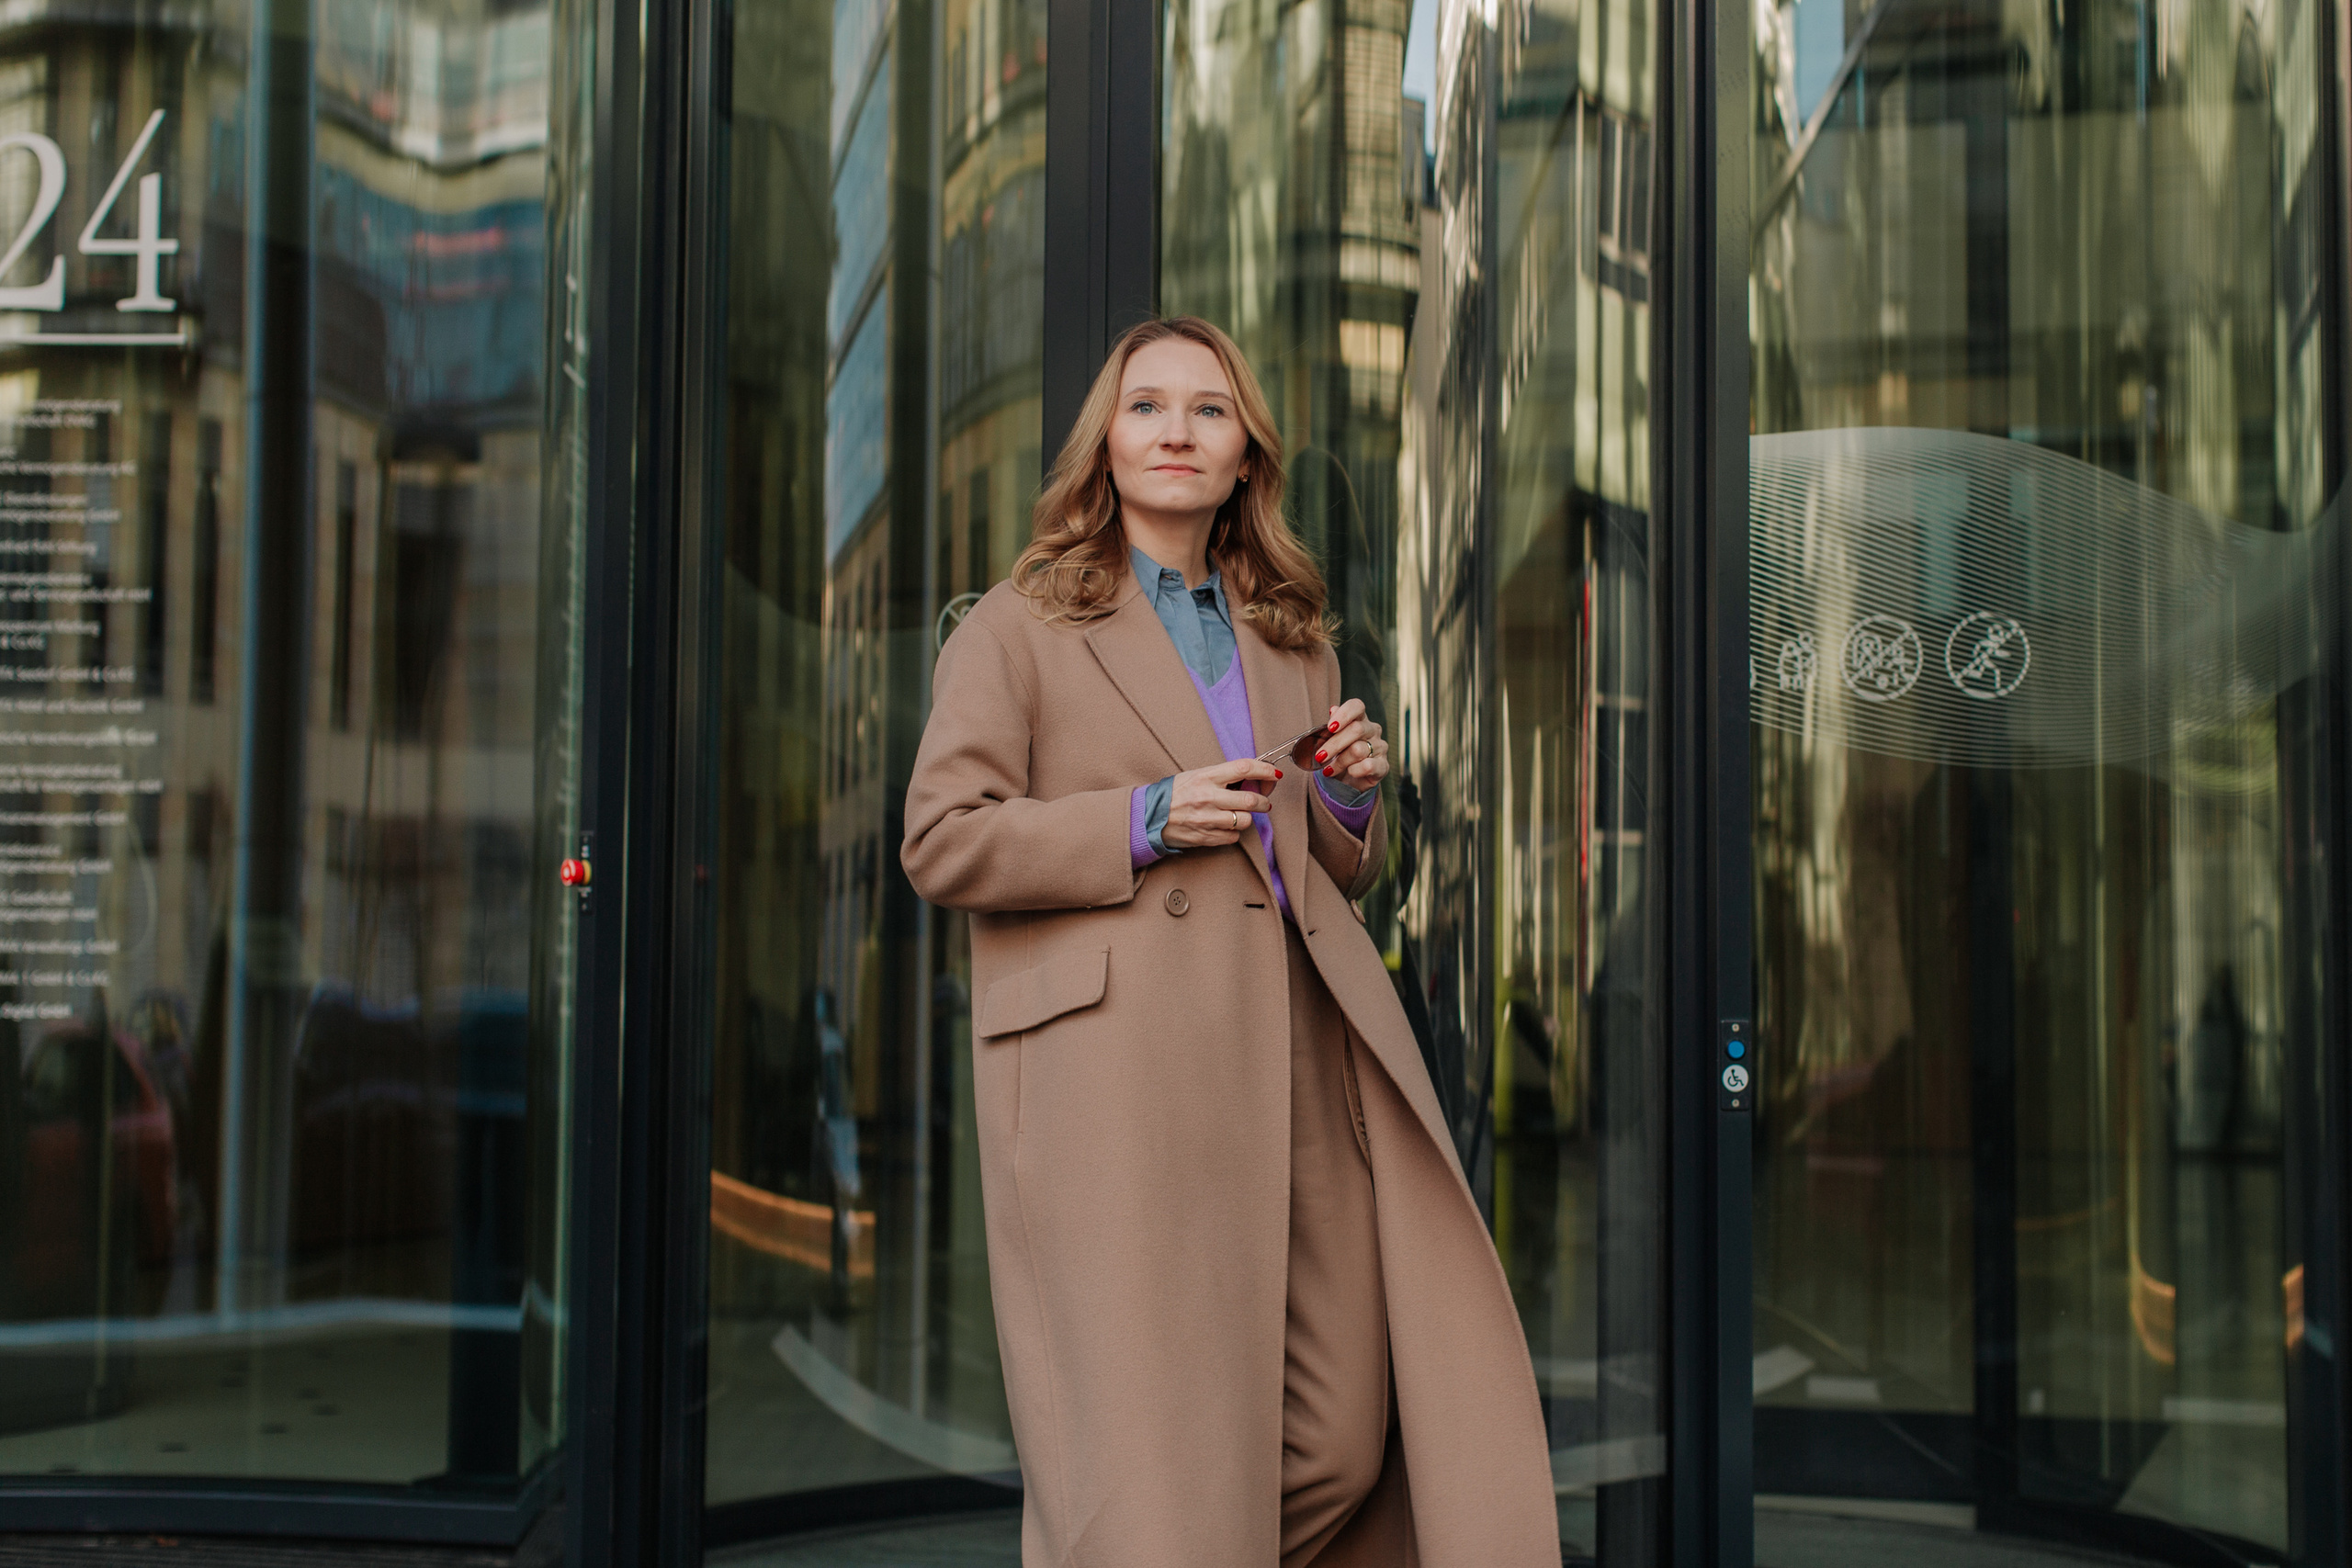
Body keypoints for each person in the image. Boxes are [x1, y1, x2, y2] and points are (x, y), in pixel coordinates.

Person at [901, 316, 1555, 1567]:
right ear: (1105, 443)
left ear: (1246, 454)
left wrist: (1351, 798)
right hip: (1120, 1077)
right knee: (1151, 1466)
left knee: (1344, 1438)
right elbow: (941, 839)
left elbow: (1324, 869)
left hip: (1297, 1055)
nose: (1177, 433)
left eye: (1209, 411)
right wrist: (1143, 819)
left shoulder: (1289, 637)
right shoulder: (1018, 625)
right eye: (1147, 406)